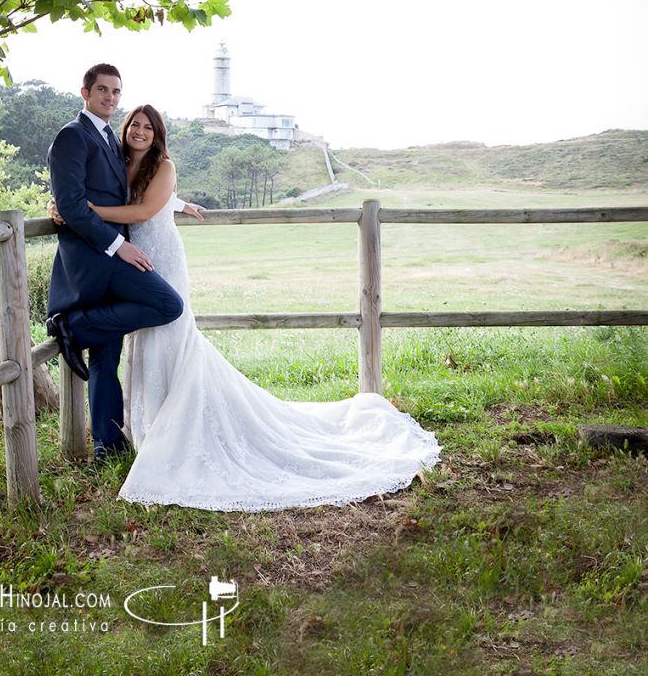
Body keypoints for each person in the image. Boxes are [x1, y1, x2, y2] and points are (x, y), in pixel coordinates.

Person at [82, 102, 441, 510]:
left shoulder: (164, 165)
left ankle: (176, 427)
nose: (140, 131)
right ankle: (152, 425)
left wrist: (90, 212)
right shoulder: (120, 160)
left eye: (148, 127)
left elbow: (147, 209)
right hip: (133, 257)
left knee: (171, 333)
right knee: (147, 338)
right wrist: (179, 205)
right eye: (135, 125)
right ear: (126, 128)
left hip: (160, 258)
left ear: (158, 133)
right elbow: (157, 201)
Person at [46, 65, 188, 464]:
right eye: (102, 90)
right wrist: (115, 246)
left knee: (106, 356)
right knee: (167, 305)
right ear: (85, 92)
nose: (110, 97)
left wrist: (179, 202)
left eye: (115, 91)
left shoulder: (110, 138)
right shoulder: (72, 136)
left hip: (114, 251)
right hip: (97, 257)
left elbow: (134, 188)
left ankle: (107, 445)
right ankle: (73, 326)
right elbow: (72, 202)